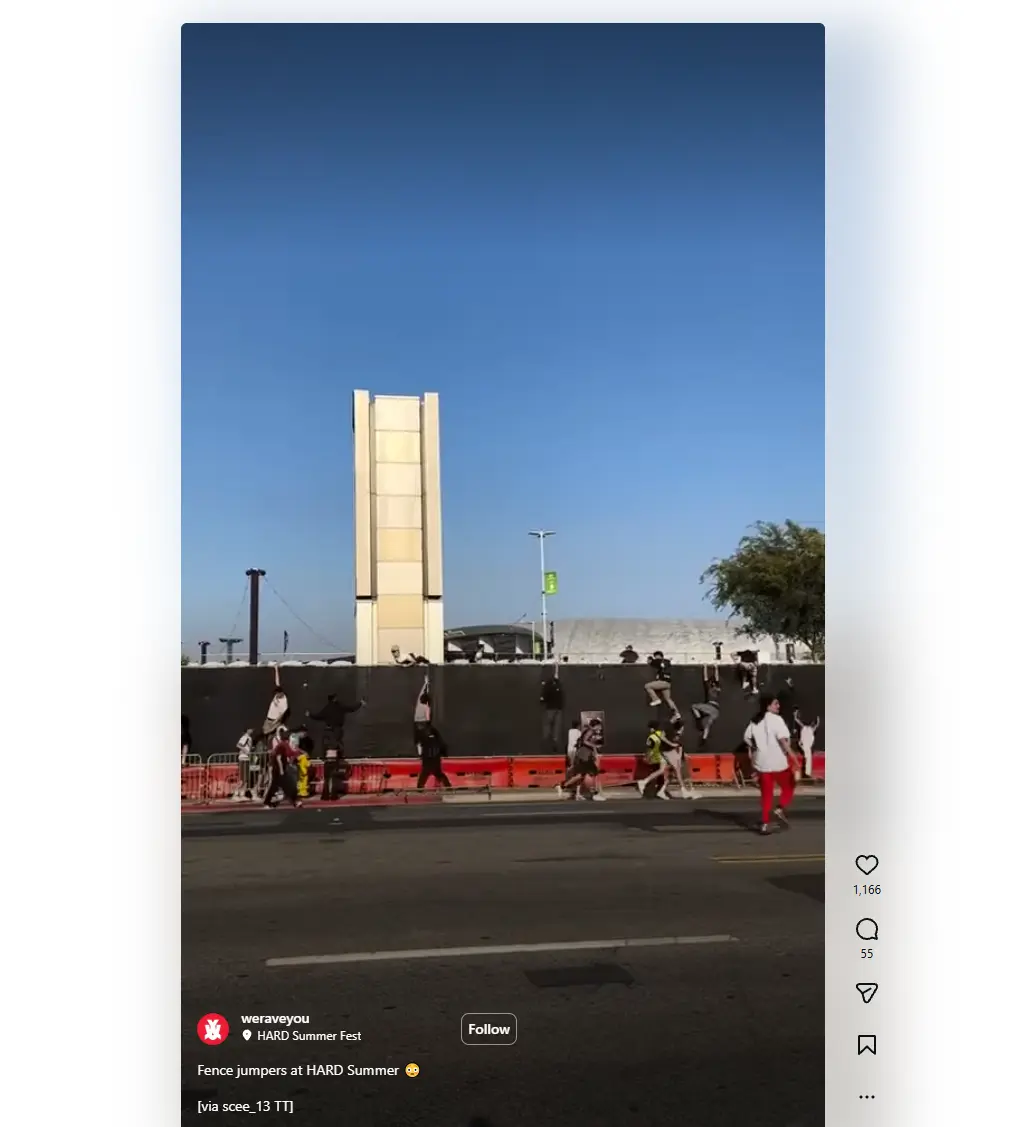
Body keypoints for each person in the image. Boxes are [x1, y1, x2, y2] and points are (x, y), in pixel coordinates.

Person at [743, 694, 796, 835]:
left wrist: (757, 749)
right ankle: (779, 808)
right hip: (778, 761)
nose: (778, 706)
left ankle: (765, 824)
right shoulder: (777, 720)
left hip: (762, 763)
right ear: (768, 706)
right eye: (775, 704)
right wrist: (793, 757)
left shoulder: (755, 721)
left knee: (766, 794)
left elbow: (747, 738)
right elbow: (783, 741)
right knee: (790, 785)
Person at [308, 691, 365, 802]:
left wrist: (310, 714)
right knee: (333, 775)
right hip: (334, 751)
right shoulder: (339, 709)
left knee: (327, 776)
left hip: (328, 755)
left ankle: (325, 795)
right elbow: (350, 708)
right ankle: (333, 795)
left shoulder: (327, 714)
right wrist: (360, 704)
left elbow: (318, 716)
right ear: (335, 698)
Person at [556, 718, 606, 801]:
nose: (600, 728)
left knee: (580, 775)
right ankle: (595, 794)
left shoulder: (589, 731)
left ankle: (564, 787)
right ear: (596, 725)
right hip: (584, 756)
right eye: (599, 726)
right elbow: (584, 741)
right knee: (595, 773)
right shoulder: (590, 731)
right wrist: (593, 746)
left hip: (584, 755)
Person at [263, 728, 303, 809]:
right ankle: (268, 802)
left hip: (283, 768)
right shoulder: (282, 746)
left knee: (288, 786)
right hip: (277, 768)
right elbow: (278, 758)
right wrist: (281, 770)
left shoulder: (289, 747)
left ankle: (295, 801)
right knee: (276, 785)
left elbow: (292, 755)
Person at [690, 665, 721, 747]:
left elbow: (708, 678)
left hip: (710, 707)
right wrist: (710, 668)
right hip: (716, 712)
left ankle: (698, 718)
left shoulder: (710, 687)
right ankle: (704, 739)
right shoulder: (717, 687)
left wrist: (706, 667)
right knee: (707, 726)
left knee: (694, 706)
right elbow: (710, 678)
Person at [260, 665, 290, 749]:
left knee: (271, 734)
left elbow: (282, 714)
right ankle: (266, 746)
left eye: (278, 694)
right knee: (264, 732)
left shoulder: (284, 701)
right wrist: (276, 669)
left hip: (275, 720)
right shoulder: (277, 694)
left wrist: (275, 721)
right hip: (269, 718)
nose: (276, 695)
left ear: (281, 693)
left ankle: (272, 747)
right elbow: (277, 682)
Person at [416, 721, 452, 790]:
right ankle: (448, 787)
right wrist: (444, 754)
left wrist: (422, 756)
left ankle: (419, 789)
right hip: (434, 759)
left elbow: (422, 747)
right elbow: (443, 745)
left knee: (425, 774)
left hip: (430, 759)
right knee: (437, 774)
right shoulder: (434, 736)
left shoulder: (426, 735)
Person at [540, 673, 565, 755]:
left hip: (550, 709)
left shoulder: (548, 686)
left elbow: (544, 698)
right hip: (559, 709)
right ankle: (555, 744)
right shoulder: (559, 687)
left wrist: (542, 699)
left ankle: (546, 744)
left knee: (547, 726)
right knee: (556, 728)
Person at [795, 711, 820, 779]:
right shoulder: (805, 727)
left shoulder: (812, 729)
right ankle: (806, 772)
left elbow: (817, 725)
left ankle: (806, 772)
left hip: (807, 746)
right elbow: (797, 721)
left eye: (813, 723)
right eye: (812, 723)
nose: (813, 724)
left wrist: (818, 721)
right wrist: (796, 714)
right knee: (807, 758)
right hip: (803, 745)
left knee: (807, 758)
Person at [232, 728, 255, 801]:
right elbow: (238, 745)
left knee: (246, 779)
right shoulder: (245, 737)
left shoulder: (249, 738)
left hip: (246, 758)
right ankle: (235, 794)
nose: (252, 730)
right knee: (243, 779)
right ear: (247, 730)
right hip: (243, 758)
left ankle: (242, 794)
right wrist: (245, 751)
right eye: (251, 729)